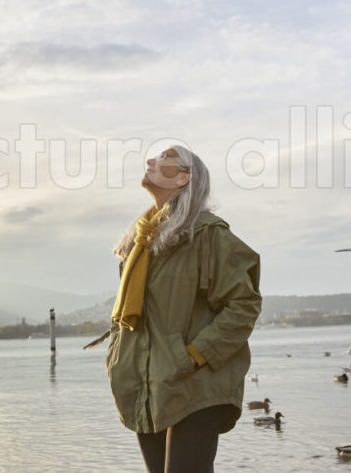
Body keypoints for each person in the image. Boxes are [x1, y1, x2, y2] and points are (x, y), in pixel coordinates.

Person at [106, 145, 262, 473]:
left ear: (183, 177)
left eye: (165, 158)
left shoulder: (207, 235)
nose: (151, 161)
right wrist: (117, 357)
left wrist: (195, 355)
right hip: (147, 384)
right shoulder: (141, 241)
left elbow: (243, 305)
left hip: (191, 383)